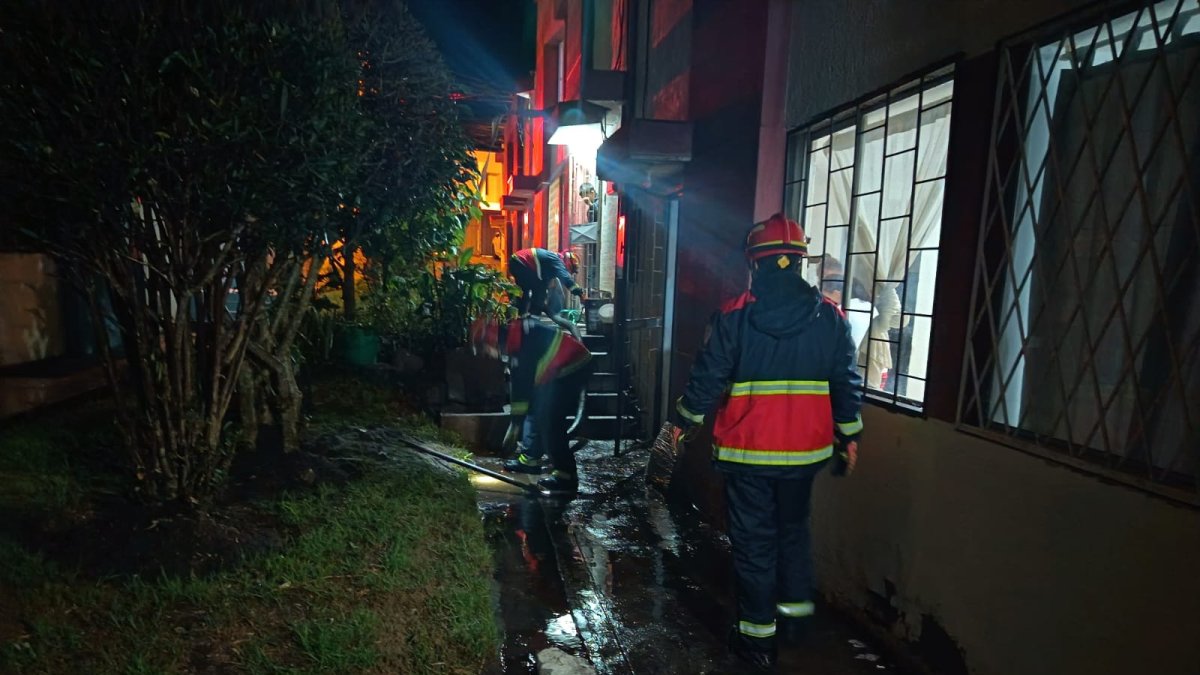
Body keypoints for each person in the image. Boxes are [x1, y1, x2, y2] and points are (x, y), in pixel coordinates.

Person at [670, 213, 863, 671]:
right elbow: (846, 383)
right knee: (793, 532)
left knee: (755, 543)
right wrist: (849, 437)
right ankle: (795, 620)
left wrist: (683, 423)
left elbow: (707, 376)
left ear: (755, 263)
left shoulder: (735, 315)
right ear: (799, 261)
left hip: (748, 453)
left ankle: (758, 641)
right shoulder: (832, 319)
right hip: (806, 456)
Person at [472, 312, 592, 495]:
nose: (488, 352)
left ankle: (565, 475)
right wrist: (516, 421)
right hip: (558, 369)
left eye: (486, 347)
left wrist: (515, 424)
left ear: (491, 338)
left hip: (570, 367)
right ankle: (530, 460)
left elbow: (522, 387)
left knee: (549, 421)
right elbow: (523, 390)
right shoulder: (516, 337)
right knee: (536, 411)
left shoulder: (520, 344)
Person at [509, 247, 583, 317]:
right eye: (571, 268)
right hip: (520, 262)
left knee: (530, 291)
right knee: (537, 290)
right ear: (568, 261)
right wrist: (580, 293)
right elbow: (566, 278)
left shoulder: (552, 261)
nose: (569, 271)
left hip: (517, 261)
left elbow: (544, 283)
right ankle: (531, 318)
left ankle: (522, 315)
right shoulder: (557, 260)